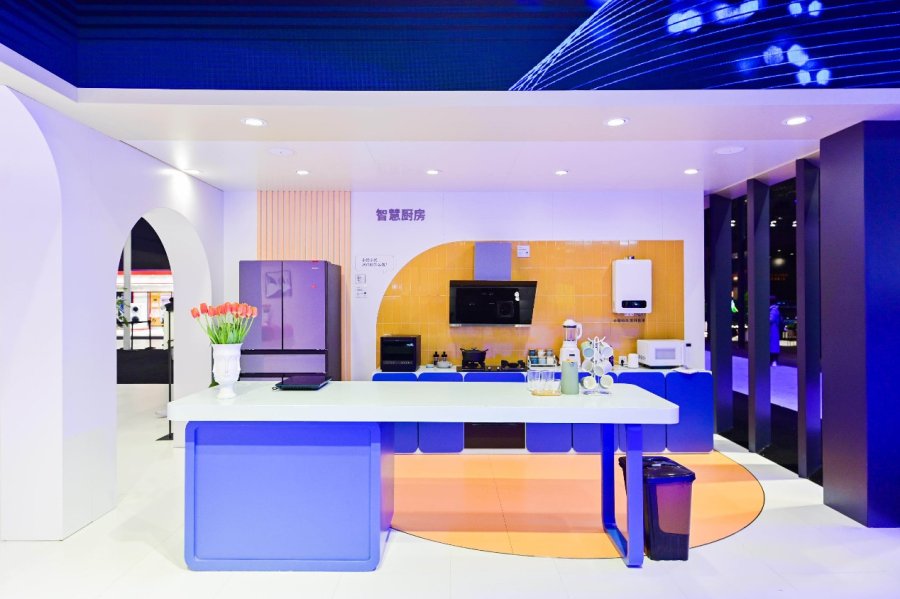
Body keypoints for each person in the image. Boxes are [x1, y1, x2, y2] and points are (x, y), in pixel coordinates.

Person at [769, 296, 782, 366]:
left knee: (773, 345)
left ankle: (774, 360)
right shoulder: (775, 309)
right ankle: (773, 360)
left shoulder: (773, 309)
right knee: (773, 345)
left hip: (772, 330)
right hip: (773, 330)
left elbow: (771, 319)